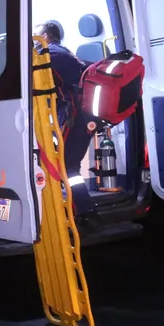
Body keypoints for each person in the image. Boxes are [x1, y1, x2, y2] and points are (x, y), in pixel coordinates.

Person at [35, 20, 99, 222]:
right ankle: (83, 211)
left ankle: (85, 213)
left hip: (74, 118)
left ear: (45, 37)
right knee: (69, 165)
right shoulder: (66, 53)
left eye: (37, 37)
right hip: (83, 117)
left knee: (67, 166)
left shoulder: (50, 55)